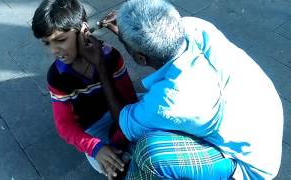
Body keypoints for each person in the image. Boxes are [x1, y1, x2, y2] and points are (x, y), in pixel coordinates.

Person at [78, 0, 284, 179]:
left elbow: (124, 123)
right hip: (261, 126)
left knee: (148, 152)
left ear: (140, 58)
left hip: (250, 166)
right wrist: (128, 33)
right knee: (148, 112)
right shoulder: (195, 27)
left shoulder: (169, 100)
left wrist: (101, 67)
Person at [31, 0, 137, 178]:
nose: (54, 50)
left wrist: (119, 138)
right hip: (93, 127)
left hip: (122, 111)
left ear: (83, 30)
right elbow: (64, 124)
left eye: (61, 40)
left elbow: (129, 98)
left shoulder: (111, 58)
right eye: (47, 43)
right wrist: (95, 148)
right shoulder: (56, 76)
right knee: (107, 163)